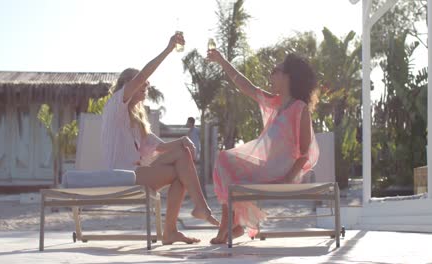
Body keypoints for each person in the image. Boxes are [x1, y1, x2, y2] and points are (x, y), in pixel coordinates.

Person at [101, 32, 219, 245]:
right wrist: (168, 49)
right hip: (122, 175)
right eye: (143, 84)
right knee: (182, 169)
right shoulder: (117, 105)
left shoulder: (136, 119)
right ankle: (196, 211)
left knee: (182, 163)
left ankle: (175, 229)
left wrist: (183, 140)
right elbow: (144, 73)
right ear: (130, 84)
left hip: (136, 174)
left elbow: (162, 147)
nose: (146, 87)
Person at [206, 49, 319, 244]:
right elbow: (244, 84)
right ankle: (233, 223)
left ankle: (231, 224)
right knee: (225, 160)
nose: (271, 75)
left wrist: (287, 179)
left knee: (227, 161)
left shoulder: (299, 108)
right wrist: (222, 60)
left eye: (276, 71)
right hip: (269, 167)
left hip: (284, 171)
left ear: (288, 78)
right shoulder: (275, 103)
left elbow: (304, 152)